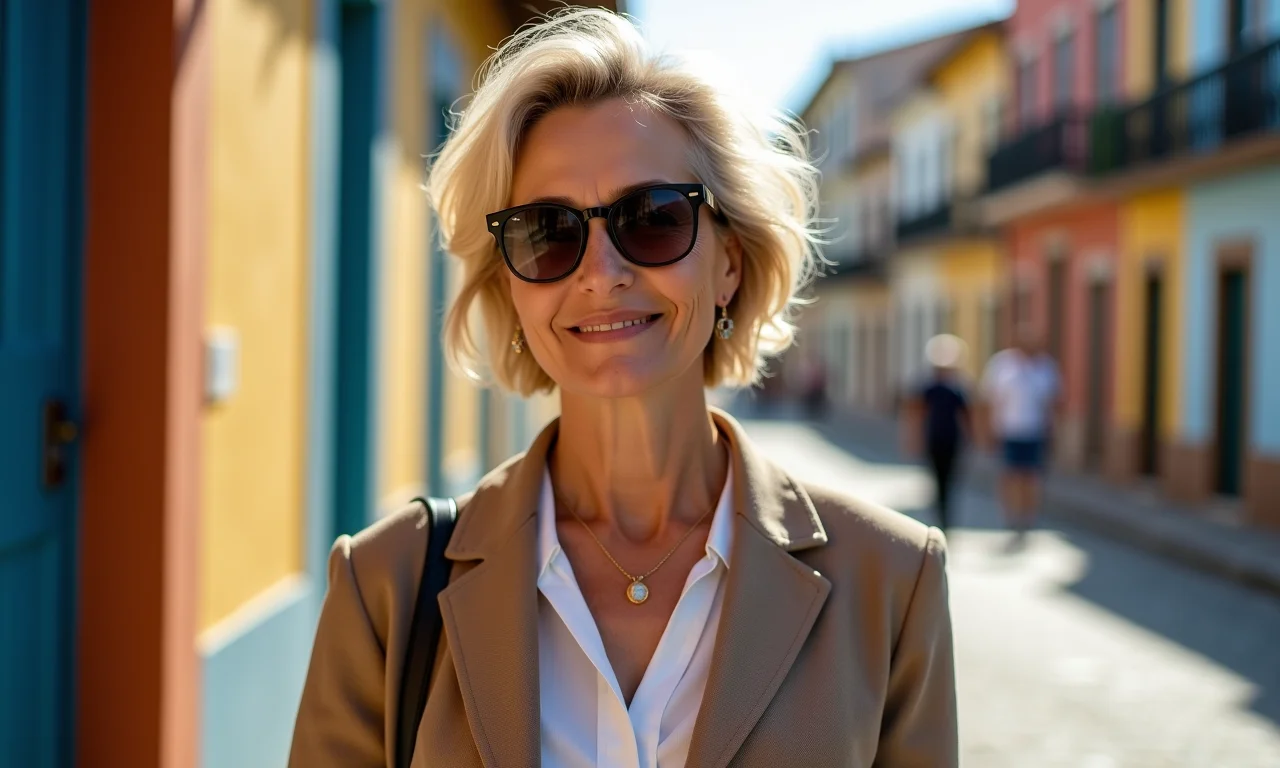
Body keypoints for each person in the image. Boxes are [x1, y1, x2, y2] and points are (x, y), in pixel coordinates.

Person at [289, 8, 956, 767]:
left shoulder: (891, 579)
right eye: (548, 231)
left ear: (729, 263)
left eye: (653, 218)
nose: (601, 274)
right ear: (510, 288)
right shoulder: (387, 585)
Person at [981, 326, 1063, 544]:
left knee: (1031, 477)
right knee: (1009, 476)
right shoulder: (1002, 365)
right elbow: (990, 400)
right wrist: (988, 431)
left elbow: (1052, 403)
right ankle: (1010, 516)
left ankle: (1028, 518)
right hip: (1008, 431)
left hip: (1035, 432)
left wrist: (1054, 432)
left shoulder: (1046, 367)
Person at [902, 335, 973, 533]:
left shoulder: (958, 388)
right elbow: (916, 413)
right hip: (934, 439)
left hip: (952, 440)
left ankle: (945, 515)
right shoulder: (929, 387)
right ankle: (940, 514)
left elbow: (967, 415)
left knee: (949, 480)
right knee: (937, 479)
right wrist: (913, 438)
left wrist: (971, 438)